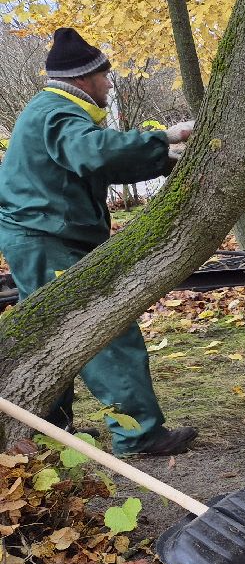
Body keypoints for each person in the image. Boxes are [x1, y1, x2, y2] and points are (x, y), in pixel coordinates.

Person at [0, 27, 197, 457]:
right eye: (106, 76)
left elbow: (94, 166)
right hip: (49, 239)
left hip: (43, 237)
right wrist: (165, 138)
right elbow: (94, 153)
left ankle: (49, 428)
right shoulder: (56, 112)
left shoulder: (53, 112)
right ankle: (138, 435)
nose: (110, 83)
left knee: (53, 334)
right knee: (104, 328)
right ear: (84, 79)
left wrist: (162, 162)